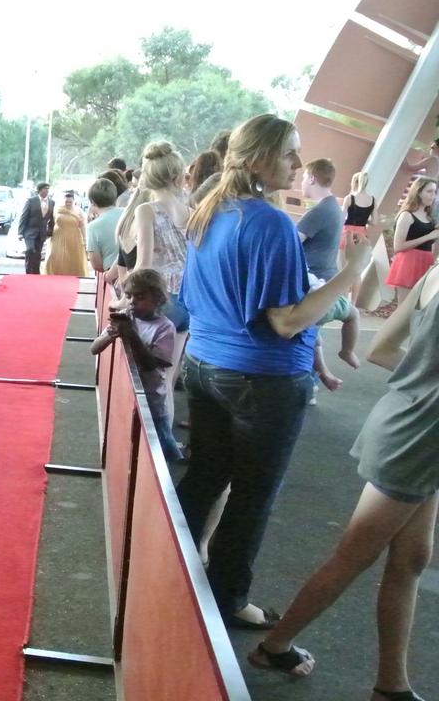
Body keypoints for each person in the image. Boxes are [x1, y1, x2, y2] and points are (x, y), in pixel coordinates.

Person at [176, 113, 373, 630]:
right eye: (290, 152)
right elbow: (287, 321)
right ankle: (226, 602)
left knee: (204, 479)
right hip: (260, 379)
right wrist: (353, 273)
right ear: (259, 158)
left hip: (205, 365)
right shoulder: (267, 222)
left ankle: (173, 575)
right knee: (251, 495)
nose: (297, 163)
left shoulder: (209, 210)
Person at [250, 264, 439, 701]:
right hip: (416, 437)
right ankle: (273, 645)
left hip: (413, 427)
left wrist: (424, 380)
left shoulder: (433, 275)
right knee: (355, 553)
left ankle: (392, 685)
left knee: (411, 559)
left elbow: (383, 349)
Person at [116, 141, 190, 413]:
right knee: (167, 380)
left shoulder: (146, 210)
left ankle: (148, 447)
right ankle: (166, 448)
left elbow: (144, 264)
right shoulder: (188, 210)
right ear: (177, 176)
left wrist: (124, 300)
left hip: (160, 301)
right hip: (187, 300)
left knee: (148, 382)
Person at [92, 270, 182, 462]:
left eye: (140, 297)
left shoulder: (165, 328)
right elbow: (95, 348)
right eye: (129, 296)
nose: (132, 301)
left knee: (160, 441)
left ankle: (171, 467)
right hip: (127, 392)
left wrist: (131, 335)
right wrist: (112, 333)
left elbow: (152, 365)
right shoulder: (126, 317)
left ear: (158, 299)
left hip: (152, 398)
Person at [385, 177, 438, 295]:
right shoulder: (407, 215)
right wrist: (428, 236)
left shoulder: (429, 217)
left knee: (416, 310)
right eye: (429, 191)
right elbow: (398, 246)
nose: (433, 196)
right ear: (418, 192)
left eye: (435, 192)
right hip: (408, 263)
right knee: (404, 308)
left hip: (426, 262)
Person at [297, 158, 344, 283]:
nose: (301, 183)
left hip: (312, 280)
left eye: (304, 178)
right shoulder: (334, 207)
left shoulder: (320, 211)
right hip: (325, 279)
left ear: (312, 179)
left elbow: (290, 243)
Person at [341, 170, 377, 303]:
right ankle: (353, 303)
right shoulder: (372, 200)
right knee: (356, 271)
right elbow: (375, 221)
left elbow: (342, 217)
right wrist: (364, 219)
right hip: (362, 236)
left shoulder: (349, 198)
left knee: (345, 269)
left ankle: (343, 301)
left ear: (354, 182)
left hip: (347, 234)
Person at [45, 191, 87, 276]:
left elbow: (82, 226)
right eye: (66, 202)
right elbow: (50, 222)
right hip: (58, 236)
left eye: (70, 202)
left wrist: (85, 238)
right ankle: (53, 274)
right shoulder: (57, 209)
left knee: (73, 258)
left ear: (74, 201)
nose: (68, 203)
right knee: (54, 256)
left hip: (74, 237)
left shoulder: (79, 211)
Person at [86, 178, 122, 274]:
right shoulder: (129, 212)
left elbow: (96, 265)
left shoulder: (93, 227)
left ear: (93, 202)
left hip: (111, 275)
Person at [18, 182, 54, 274]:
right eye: (44, 189)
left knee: (38, 253)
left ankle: (36, 272)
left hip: (42, 232)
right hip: (29, 231)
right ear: (39, 190)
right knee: (30, 250)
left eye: (47, 189)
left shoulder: (51, 202)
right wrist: (20, 232)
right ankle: (28, 271)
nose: (46, 191)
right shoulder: (31, 201)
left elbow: (52, 219)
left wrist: (50, 231)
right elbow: (24, 216)